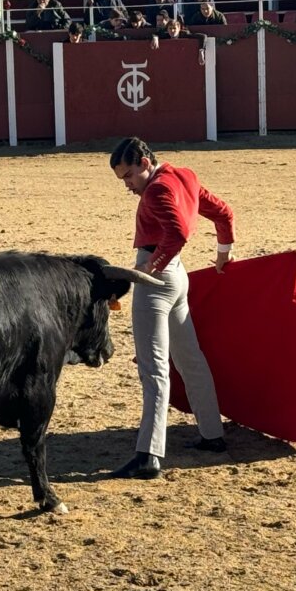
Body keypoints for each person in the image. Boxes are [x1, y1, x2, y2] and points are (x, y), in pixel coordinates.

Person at [107, 137, 234, 480]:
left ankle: (148, 455)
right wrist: (224, 251)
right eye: (124, 179)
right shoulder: (185, 176)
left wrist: (151, 268)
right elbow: (222, 211)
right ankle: (212, 434)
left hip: (157, 277)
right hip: (179, 277)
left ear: (146, 162)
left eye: (130, 175)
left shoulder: (156, 191)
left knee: (154, 368)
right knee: (190, 359)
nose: (129, 185)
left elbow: (176, 233)